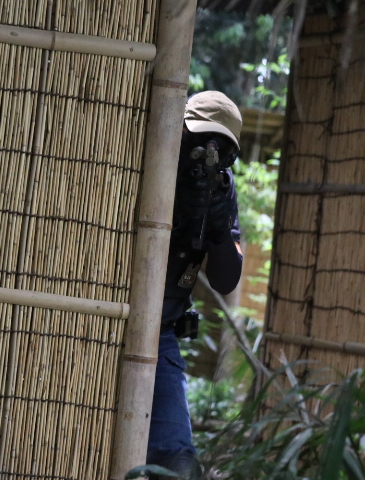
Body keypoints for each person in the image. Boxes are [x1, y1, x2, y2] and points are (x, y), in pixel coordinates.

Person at [147, 91, 244, 480]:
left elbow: (226, 279)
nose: (207, 154)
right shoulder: (150, 159)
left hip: (160, 334)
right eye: (201, 140)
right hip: (105, 318)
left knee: (178, 465)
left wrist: (217, 226)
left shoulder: (222, 189)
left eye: (219, 147)